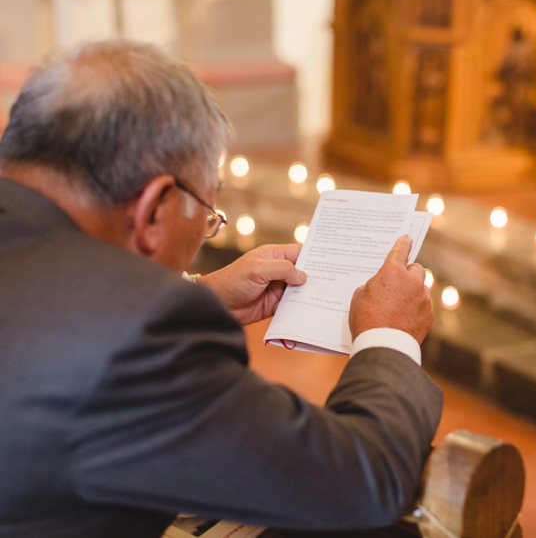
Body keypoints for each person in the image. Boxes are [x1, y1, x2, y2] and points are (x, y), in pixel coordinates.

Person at [0, 40, 442, 538]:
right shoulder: (131, 338)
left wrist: (203, 294)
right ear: (152, 211)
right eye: (209, 214)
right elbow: (360, 483)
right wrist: (389, 337)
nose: (207, 227)